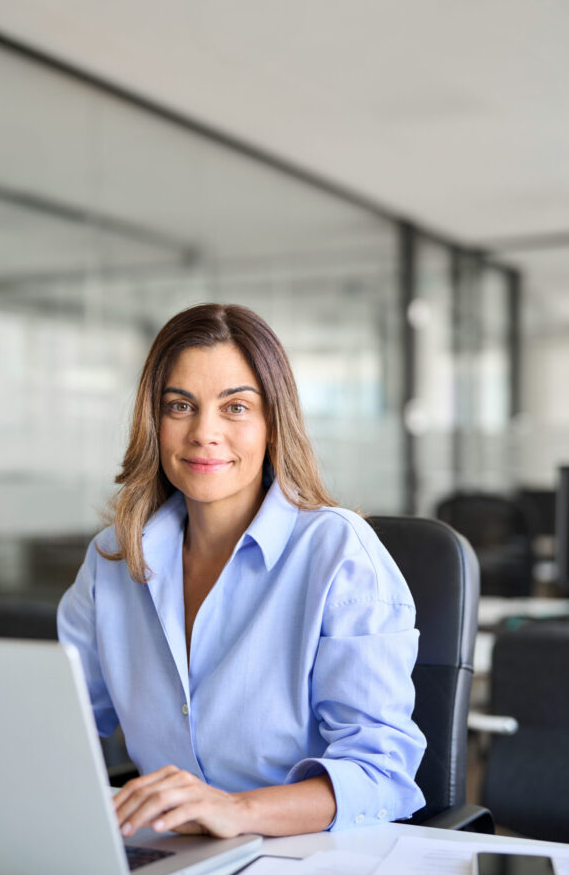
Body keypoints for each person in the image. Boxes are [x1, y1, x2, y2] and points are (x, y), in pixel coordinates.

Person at [58, 303, 425, 839]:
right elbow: (59, 728)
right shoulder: (114, 558)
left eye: (235, 408)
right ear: (153, 422)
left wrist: (238, 811)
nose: (204, 433)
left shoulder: (337, 552)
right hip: (166, 850)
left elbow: (382, 773)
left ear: (273, 421)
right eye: (180, 406)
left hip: (304, 857)